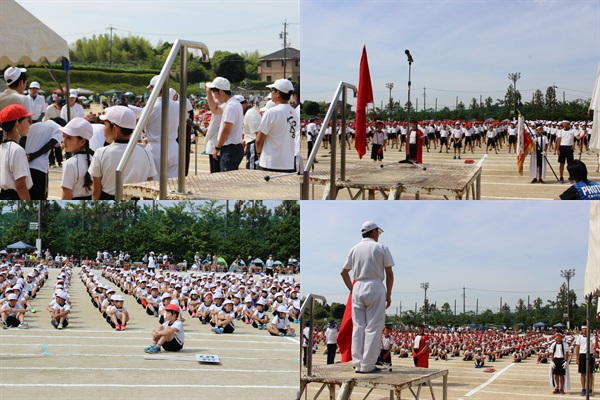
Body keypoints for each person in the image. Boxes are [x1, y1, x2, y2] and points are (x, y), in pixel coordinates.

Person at [340, 221, 394, 374]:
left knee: (359, 327)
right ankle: (368, 365)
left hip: (358, 286)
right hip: (375, 286)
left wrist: (352, 290)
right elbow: (389, 273)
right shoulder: (381, 248)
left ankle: (357, 363)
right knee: (373, 327)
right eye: (378, 233)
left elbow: (343, 272)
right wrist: (389, 294)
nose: (378, 236)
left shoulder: (354, 249)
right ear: (373, 232)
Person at [89, 106, 156, 199]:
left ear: (115, 128)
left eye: (105, 124)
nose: (104, 128)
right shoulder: (146, 153)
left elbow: (96, 191)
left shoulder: (101, 153)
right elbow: (149, 189)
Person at [255, 79, 299, 173]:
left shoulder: (271, 112)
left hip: (271, 163)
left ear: (277, 94)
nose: (271, 93)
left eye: (272, 90)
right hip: (288, 163)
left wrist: (259, 153)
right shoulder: (294, 112)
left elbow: (259, 139)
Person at [145, 76, 180, 180]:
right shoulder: (177, 105)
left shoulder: (151, 106)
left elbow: (141, 125)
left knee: (155, 181)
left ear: (154, 88)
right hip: (173, 145)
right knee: (173, 181)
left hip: (156, 147)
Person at [21, 117, 64, 199]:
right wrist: (33, 155)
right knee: (40, 196)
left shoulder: (33, 125)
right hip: (39, 167)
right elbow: (50, 145)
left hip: (24, 166)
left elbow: (23, 138)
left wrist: (23, 155)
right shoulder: (58, 129)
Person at [208, 77, 244, 172]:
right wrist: (209, 93)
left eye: (214, 92)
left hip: (230, 149)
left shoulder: (230, 106)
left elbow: (226, 130)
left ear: (221, 92)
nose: (214, 96)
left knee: (227, 178)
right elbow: (215, 110)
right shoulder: (234, 103)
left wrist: (217, 147)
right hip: (234, 148)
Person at [0, 104, 33, 199]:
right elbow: (21, 186)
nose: (29, 124)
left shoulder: (2, 147)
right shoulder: (17, 150)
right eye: (27, 120)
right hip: (15, 196)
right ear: (17, 123)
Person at [59, 117, 93, 199]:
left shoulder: (70, 164)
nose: (64, 141)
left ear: (82, 141)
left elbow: (66, 197)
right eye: (63, 136)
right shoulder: (94, 159)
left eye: (69, 138)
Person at [574, 326, 597, 396]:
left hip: (590, 354)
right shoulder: (579, 337)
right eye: (584, 329)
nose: (585, 330)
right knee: (582, 373)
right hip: (582, 355)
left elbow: (595, 345)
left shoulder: (592, 337)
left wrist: (596, 340)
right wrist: (577, 358)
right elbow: (577, 347)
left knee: (590, 373)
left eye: (586, 328)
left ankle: (590, 389)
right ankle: (583, 388)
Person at [240, 95, 262, 169]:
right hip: (251, 144)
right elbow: (249, 133)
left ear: (242, 105)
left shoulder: (250, 114)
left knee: (252, 170)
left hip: (254, 145)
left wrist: (258, 152)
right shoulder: (248, 113)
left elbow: (258, 134)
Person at [550, 330, 571, 395]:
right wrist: (552, 361)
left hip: (562, 360)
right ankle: (557, 387)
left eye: (559, 336)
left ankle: (562, 388)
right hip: (556, 360)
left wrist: (566, 361)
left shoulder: (565, 344)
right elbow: (551, 353)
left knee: (562, 375)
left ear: (562, 337)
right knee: (556, 375)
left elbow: (567, 353)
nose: (558, 337)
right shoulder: (553, 344)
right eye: (557, 336)